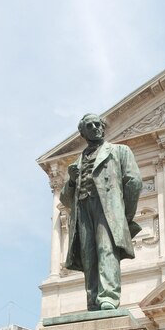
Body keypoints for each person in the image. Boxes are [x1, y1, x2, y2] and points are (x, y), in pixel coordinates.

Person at [60, 113, 142, 311]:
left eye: (99, 124)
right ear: (82, 132)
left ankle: (109, 297)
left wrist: (124, 215)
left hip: (107, 208)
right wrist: (71, 180)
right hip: (83, 209)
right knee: (88, 254)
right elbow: (64, 199)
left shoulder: (120, 151)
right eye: (91, 125)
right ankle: (93, 299)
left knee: (106, 249)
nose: (97, 127)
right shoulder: (77, 162)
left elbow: (134, 182)